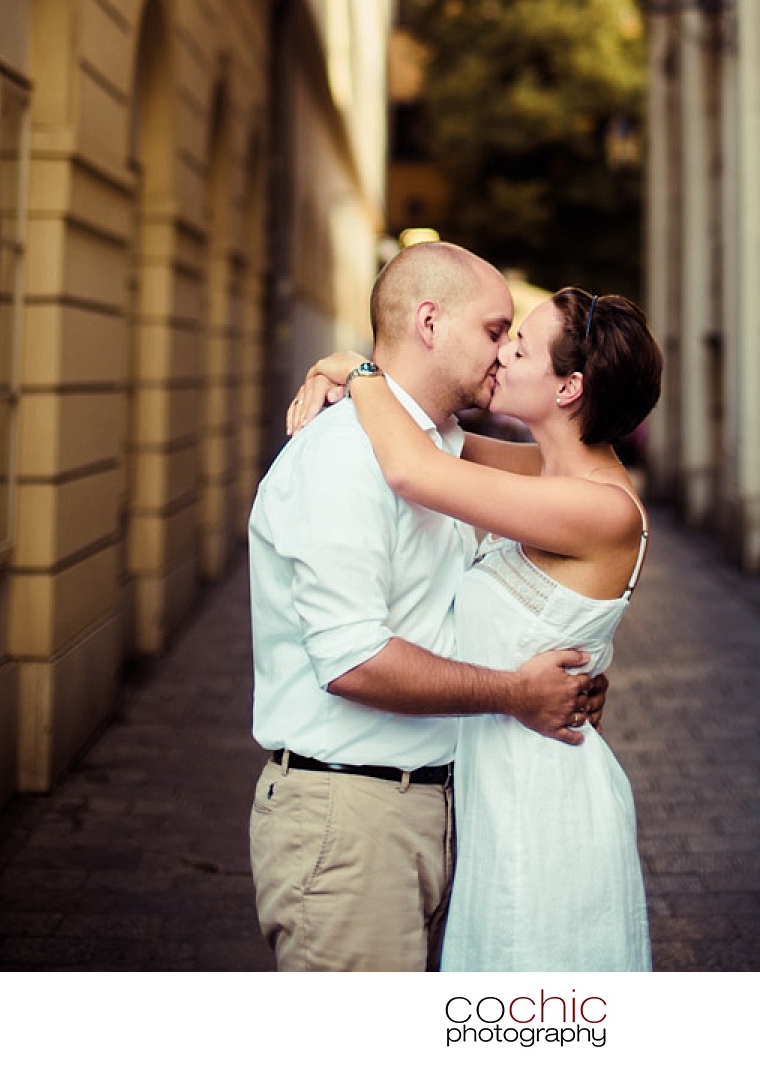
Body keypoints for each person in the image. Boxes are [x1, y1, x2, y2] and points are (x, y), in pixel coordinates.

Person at [247, 240, 607, 974]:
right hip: (349, 816)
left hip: (424, 810)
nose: (504, 352)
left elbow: (456, 605)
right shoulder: (346, 455)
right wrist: (516, 694)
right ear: (431, 322)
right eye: (495, 329)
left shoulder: (439, 448)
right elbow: (352, 660)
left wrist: (563, 674)